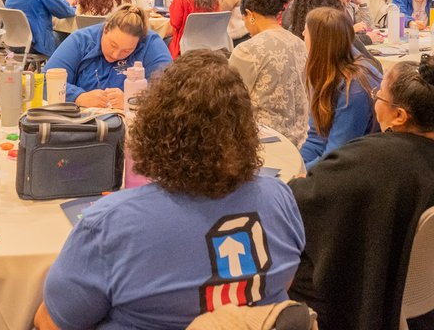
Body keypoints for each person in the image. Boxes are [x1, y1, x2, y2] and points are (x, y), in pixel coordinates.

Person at [34, 53, 303, 330]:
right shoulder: (281, 198)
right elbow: (282, 286)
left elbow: (50, 323)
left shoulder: (111, 224)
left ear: (154, 128)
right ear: (247, 129)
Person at [289, 56, 434, 330]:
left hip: (371, 285)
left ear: (399, 116)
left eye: (379, 96)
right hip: (419, 284)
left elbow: (302, 199)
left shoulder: (369, 160)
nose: (375, 101)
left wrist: (298, 181)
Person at [227, 0, 308, 147]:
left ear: (250, 15)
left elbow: (230, 100)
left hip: (263, 139)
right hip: (301, 136)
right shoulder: (299, 43)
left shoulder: (247, 50)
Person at [44, 4, 172, 109]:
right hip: (84, 126)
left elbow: (170, 91)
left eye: (127, 51)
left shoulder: (151, 43)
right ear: (105, 29)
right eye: (113, 45)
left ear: (139, 42)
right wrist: (78, 97)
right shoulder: (81, 41)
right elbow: (45, 81)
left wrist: (133, 100)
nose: (116, 55)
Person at [300, 7, 381, 168]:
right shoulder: (327, 70)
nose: (302, 34)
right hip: (338, 162)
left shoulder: (355, 88)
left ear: (319, 41)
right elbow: (317, 136)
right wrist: (296, 165)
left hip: (360, 169)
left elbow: (338, 154)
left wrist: (301, 177)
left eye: (306, 31)